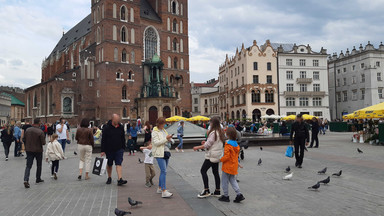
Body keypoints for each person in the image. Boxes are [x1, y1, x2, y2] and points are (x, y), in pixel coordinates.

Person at [193, 117, 224, 198]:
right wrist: (206, 142)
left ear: (213, 123)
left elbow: (208, 145)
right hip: (217, 155)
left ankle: (206, 190)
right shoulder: (220, 132)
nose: (209, 124)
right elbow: (214, 143)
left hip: (211, 155)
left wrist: (198, 147)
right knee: (215, 172)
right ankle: (217, 191)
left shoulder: (213, 133)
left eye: (210, 122)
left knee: (203, 170)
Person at [218, 127, 245, 203]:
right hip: (233, 166)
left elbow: (227, 156)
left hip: (227, 166)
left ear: (228, 135)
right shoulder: (236, 145)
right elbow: (235, 157)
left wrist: (220, 160)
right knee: (233, 180)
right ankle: (239, 194)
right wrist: (238, 164)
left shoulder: (228, 144)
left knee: (224, 181)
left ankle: (226, 196)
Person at [101, 114, 128, 186]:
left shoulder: (121, 127)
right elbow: (103, 139)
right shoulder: (106, 128)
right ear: (112, 120)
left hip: (119, 149)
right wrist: (103, 150)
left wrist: (123, 147)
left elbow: (123, 137)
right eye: (116, 120)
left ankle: (120, 179)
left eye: (118, 120)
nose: (118, 121)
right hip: (109, 149)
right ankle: (109, 177)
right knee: (109, 164)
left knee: (118, 163)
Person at [152, 117, 174, 198]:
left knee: (163, 171)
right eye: (162, 124)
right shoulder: (154, 132)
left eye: (164, 124)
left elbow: (166, 139)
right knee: (164, 171)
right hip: (159, 153)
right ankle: (164, 191)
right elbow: (156, 143)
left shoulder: (164, 130)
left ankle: (160, 188)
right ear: (159, 124)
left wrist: (170, 139)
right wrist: (166, 139)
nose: (164, 125)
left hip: (166, 152)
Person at [23, 118, 46, 188]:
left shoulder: (28, 130)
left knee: (28, 165)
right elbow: (43, 142)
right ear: (39, 123)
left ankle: (26, 180)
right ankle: (38, 178)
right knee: (39, 165)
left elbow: (24, 139)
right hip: (38, 150)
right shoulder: (40, 131)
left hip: (29, 150)